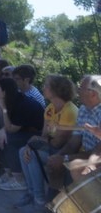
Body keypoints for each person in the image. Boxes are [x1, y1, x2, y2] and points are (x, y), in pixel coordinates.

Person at [16, 74, 78, 211]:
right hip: (51, 147)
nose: (43, 88)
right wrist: (30, 146)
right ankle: (31, 193)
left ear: (56, 90)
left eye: (46, 86)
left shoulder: (70, 111)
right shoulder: (50, 108)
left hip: (64, 153)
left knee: (32, 156)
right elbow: (44, 136)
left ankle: (39, 199)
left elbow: (59, 142)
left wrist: (36, 142)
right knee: (23, 152)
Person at [45, 75, 101, 188]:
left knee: (75, 167)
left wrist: (65, 158)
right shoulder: (83, 110)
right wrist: (58, 156)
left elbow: (96, 151)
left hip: (95, 158)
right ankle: (55, 201)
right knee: (54, 162)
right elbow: (74, 142)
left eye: (81, 88)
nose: (77, 91)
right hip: (89, 155)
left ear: (93, 94)